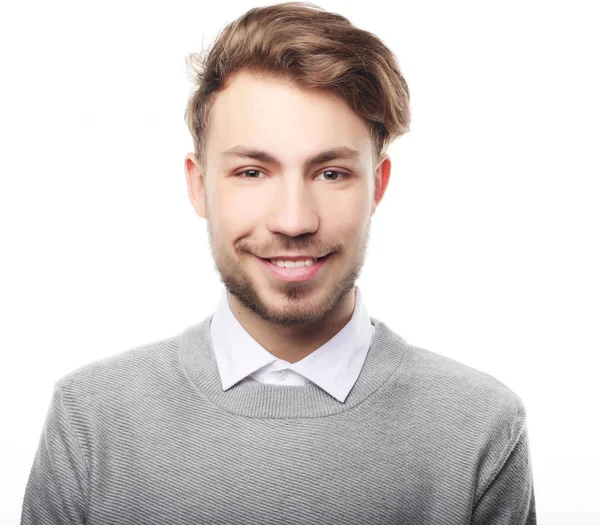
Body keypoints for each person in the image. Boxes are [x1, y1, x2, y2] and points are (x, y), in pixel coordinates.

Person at [21, 2, 536, 523]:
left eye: (331, 173)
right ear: (199, 186)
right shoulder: (90, 420)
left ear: (377, 186)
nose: (293, 221)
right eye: (251, 172)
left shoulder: (479, 428)